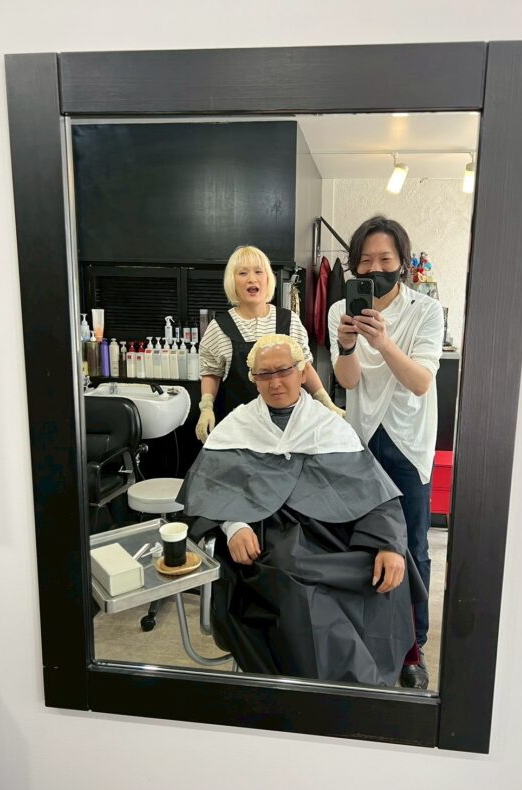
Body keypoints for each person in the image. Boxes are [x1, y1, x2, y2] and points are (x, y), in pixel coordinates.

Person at [178, 334, 426, 687]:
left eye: (283, 371)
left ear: (301, 372)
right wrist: (234, 526)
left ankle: (376, 678)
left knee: (387, 566)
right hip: (270, 537)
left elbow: (374, 491)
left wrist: (388, 543)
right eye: (265, 374)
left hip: (333, 533)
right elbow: (209, 490)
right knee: (296, 586)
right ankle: (350, 693)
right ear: (253, 379)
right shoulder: (236, 427)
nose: (275, 382)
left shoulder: (328, 426)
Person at [328, 216, 444, 690]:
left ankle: (413, 648)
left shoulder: (426, 310)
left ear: (403, 263)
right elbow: (348, 381)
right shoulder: (342, 309)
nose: (375, 269)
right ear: (354, 266)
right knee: (362, 543)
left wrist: (382, 340)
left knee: (412, 547)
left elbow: (420, 381)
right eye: (365, 261)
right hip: (361, 439)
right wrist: (347, 345)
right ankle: (369, 636)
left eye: (385, 260)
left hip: (407, 442)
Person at [195, 245, 342, 442]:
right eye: (243, 273)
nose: (252, 279)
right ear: (232, 281)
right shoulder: (219, 328)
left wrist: (325, 401)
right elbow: (211, 372)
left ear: (267, 279)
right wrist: (206, 408)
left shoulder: (289, 321)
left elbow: (304, 366)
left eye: (258, 271)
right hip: (240, 428)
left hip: (287, 427)